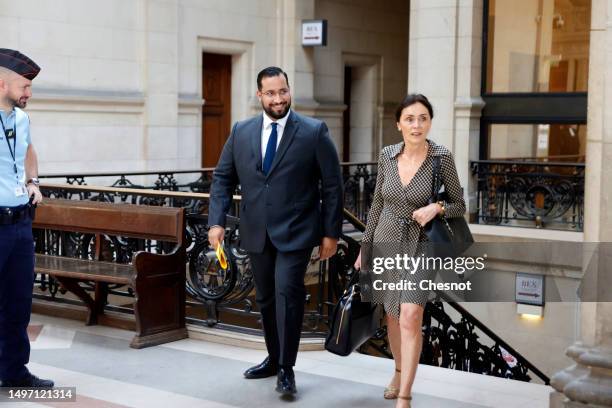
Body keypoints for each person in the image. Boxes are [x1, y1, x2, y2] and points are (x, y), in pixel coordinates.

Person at [208, 66, 343, 396]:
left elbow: (333, 184)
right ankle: (273, 357)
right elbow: (223, 178)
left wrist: (331, 233)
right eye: (271, 93)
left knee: (287, 293)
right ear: (260, 96)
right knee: (266, 297)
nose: (278, 98)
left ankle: (286, 368)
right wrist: (216, 221)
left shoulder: (313, 131)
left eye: (283, 91)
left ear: (289, 91)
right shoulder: (241, 131)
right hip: (256, 231)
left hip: (297, 231)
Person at [354, 94, 466, 407]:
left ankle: (405, 394)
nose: (417, 125)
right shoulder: (388, 154)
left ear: (430, 122)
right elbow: (377, 202)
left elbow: (460, 205)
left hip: (422, 244)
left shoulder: (441, 157)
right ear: (399, 123)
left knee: (411, 314)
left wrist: (436, 207)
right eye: (410, 119)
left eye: (423, 118)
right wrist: (366, 247)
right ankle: (398, 370)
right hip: (387, 239)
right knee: (392, 314)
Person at [0, 49, 52, 388]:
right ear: (1, 82)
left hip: (20, 224)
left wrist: (33, 181)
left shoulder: (22, 119)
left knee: (18, 303)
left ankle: (14, 372)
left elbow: (29, 151)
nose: (28, 94)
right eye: (24, 86)